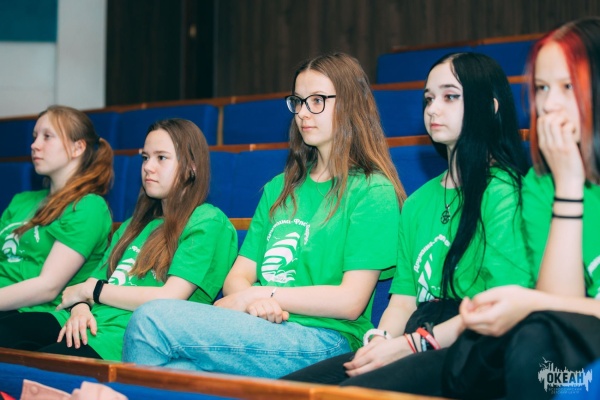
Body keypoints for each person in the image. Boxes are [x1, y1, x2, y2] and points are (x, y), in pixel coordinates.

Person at [121, 52, 405, 378]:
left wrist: (261, 293)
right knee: (178, 371)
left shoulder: (371, 191)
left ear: (350, 104)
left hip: (326, 337)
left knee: (150, 320)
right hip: (262, 325)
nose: (303, 113)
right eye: (298, 102)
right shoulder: (279, 188)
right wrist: (255, 302)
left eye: (317, 101)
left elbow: (350, 301)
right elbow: (236, 277)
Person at [283, 52, 534, 393]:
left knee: (353, 394)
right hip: (419, 336)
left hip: (476, 345)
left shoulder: (507, 193)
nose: (433, 109)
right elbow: (403, 301)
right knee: (289, 390)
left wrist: (411, 345)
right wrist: (380, 342)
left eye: (450, 97)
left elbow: (501, 306)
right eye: (429, 99)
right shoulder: (417, 202)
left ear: (489, 108)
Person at [439, 17, 600, 400]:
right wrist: (569, 186)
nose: (549, 103)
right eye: (542, 88)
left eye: (567, 86)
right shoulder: (543, 185)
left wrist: (530, 302)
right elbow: (563, 321)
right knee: (534, 346)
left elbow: (550, 310)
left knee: (533, 344)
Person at [0, 118, 238, 361]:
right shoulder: (131, 226)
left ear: (192, 167)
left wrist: (93, 291)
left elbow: (169, 298)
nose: (148, 167)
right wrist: (80, 309)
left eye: (161, 158)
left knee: (39, 366)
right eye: (145, 157)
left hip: (126, 335)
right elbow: (84, 288)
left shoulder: (208, 221)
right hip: (85, 322)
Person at [0, 105, 113, 315]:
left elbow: (48, 287)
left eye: (47, 137)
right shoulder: (21, 200)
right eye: (35, 137)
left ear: (78, 148)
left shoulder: (88, 206)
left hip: (31, 312)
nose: (35, 145)